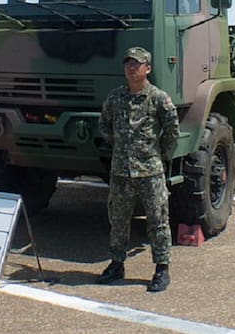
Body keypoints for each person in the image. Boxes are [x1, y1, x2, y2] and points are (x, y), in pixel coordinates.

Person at [97, 47, 179, 292]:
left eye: (137, 64)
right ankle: (117, 264)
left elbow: (172, 131)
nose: (131, 69)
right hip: (121, 172)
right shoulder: (115, 97)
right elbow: (104, 124)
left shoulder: (158, 98)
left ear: (148, 68)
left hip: (150, 172)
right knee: (118, 220)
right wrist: (121, 148)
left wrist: (159, 155)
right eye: (128, 64)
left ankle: (162, 268)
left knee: (158, 220)